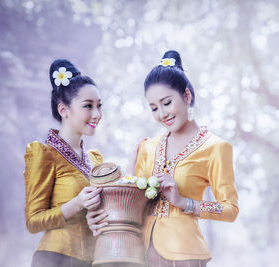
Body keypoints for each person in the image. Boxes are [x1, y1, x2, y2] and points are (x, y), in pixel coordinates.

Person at [88, 50, 239, 267]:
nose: (162, 114)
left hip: (184, 256)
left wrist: (182, 202)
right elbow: (133, 204)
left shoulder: (216, 148)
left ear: (186, 96)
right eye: (153, 108)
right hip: (137, 254)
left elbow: (230, 210)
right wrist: (129, 171)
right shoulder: (148, 147)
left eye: (167, 102)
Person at [24, 59, 106, 267]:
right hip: (55, 259)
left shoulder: (96, 159)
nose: (97, 114)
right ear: (63, 110)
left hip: (93, 260)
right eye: (88, 106)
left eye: (99, 106)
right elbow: (33, 222)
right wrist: (76, 204)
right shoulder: (44, 154)